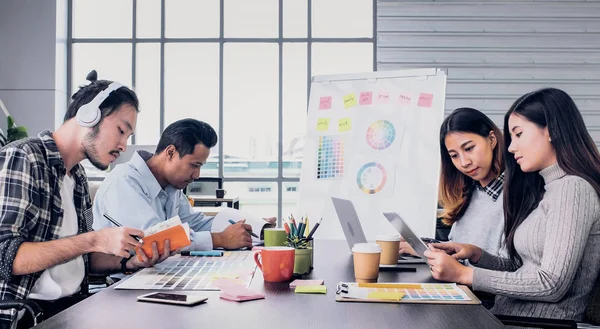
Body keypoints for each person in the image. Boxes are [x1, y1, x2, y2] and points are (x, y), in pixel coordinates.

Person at [0, 71, 172, 328]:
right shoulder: (23, 157)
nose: (124, 145)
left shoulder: (78, 177)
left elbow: (79, 257)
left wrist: (128, 261)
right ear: (88, 115)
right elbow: (6, 258)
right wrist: (95, 239)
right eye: (121, 131)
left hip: (73, 309)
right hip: (29, 317)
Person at [425, 88, 600, 321]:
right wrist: (477, 255)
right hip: (504, 317)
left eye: (518, 134)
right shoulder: (548, 189)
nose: (510, 147)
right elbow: (520, 270)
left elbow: (551, 283)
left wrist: (466, 274)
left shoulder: (573, 189)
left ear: (551, 131)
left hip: (530, 323)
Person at [93, 118, 276, 251]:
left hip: (156, 274)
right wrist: (220, 239)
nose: (197, 175)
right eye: (194, 165)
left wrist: (252, 226)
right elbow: (154, 239)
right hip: (121, 286)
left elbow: (194, 222)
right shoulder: (125, 181)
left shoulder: (170, 185)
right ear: (171, 153)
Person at [400, 108, 505, 258]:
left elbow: (512, 270)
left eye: (469, 148)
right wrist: (428, 249)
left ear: (492, 139)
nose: (464, 162)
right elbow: (461, 252)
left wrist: (458, 269)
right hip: (458, 281)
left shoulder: (517, 195)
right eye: (454, 156)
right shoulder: (470, 193)